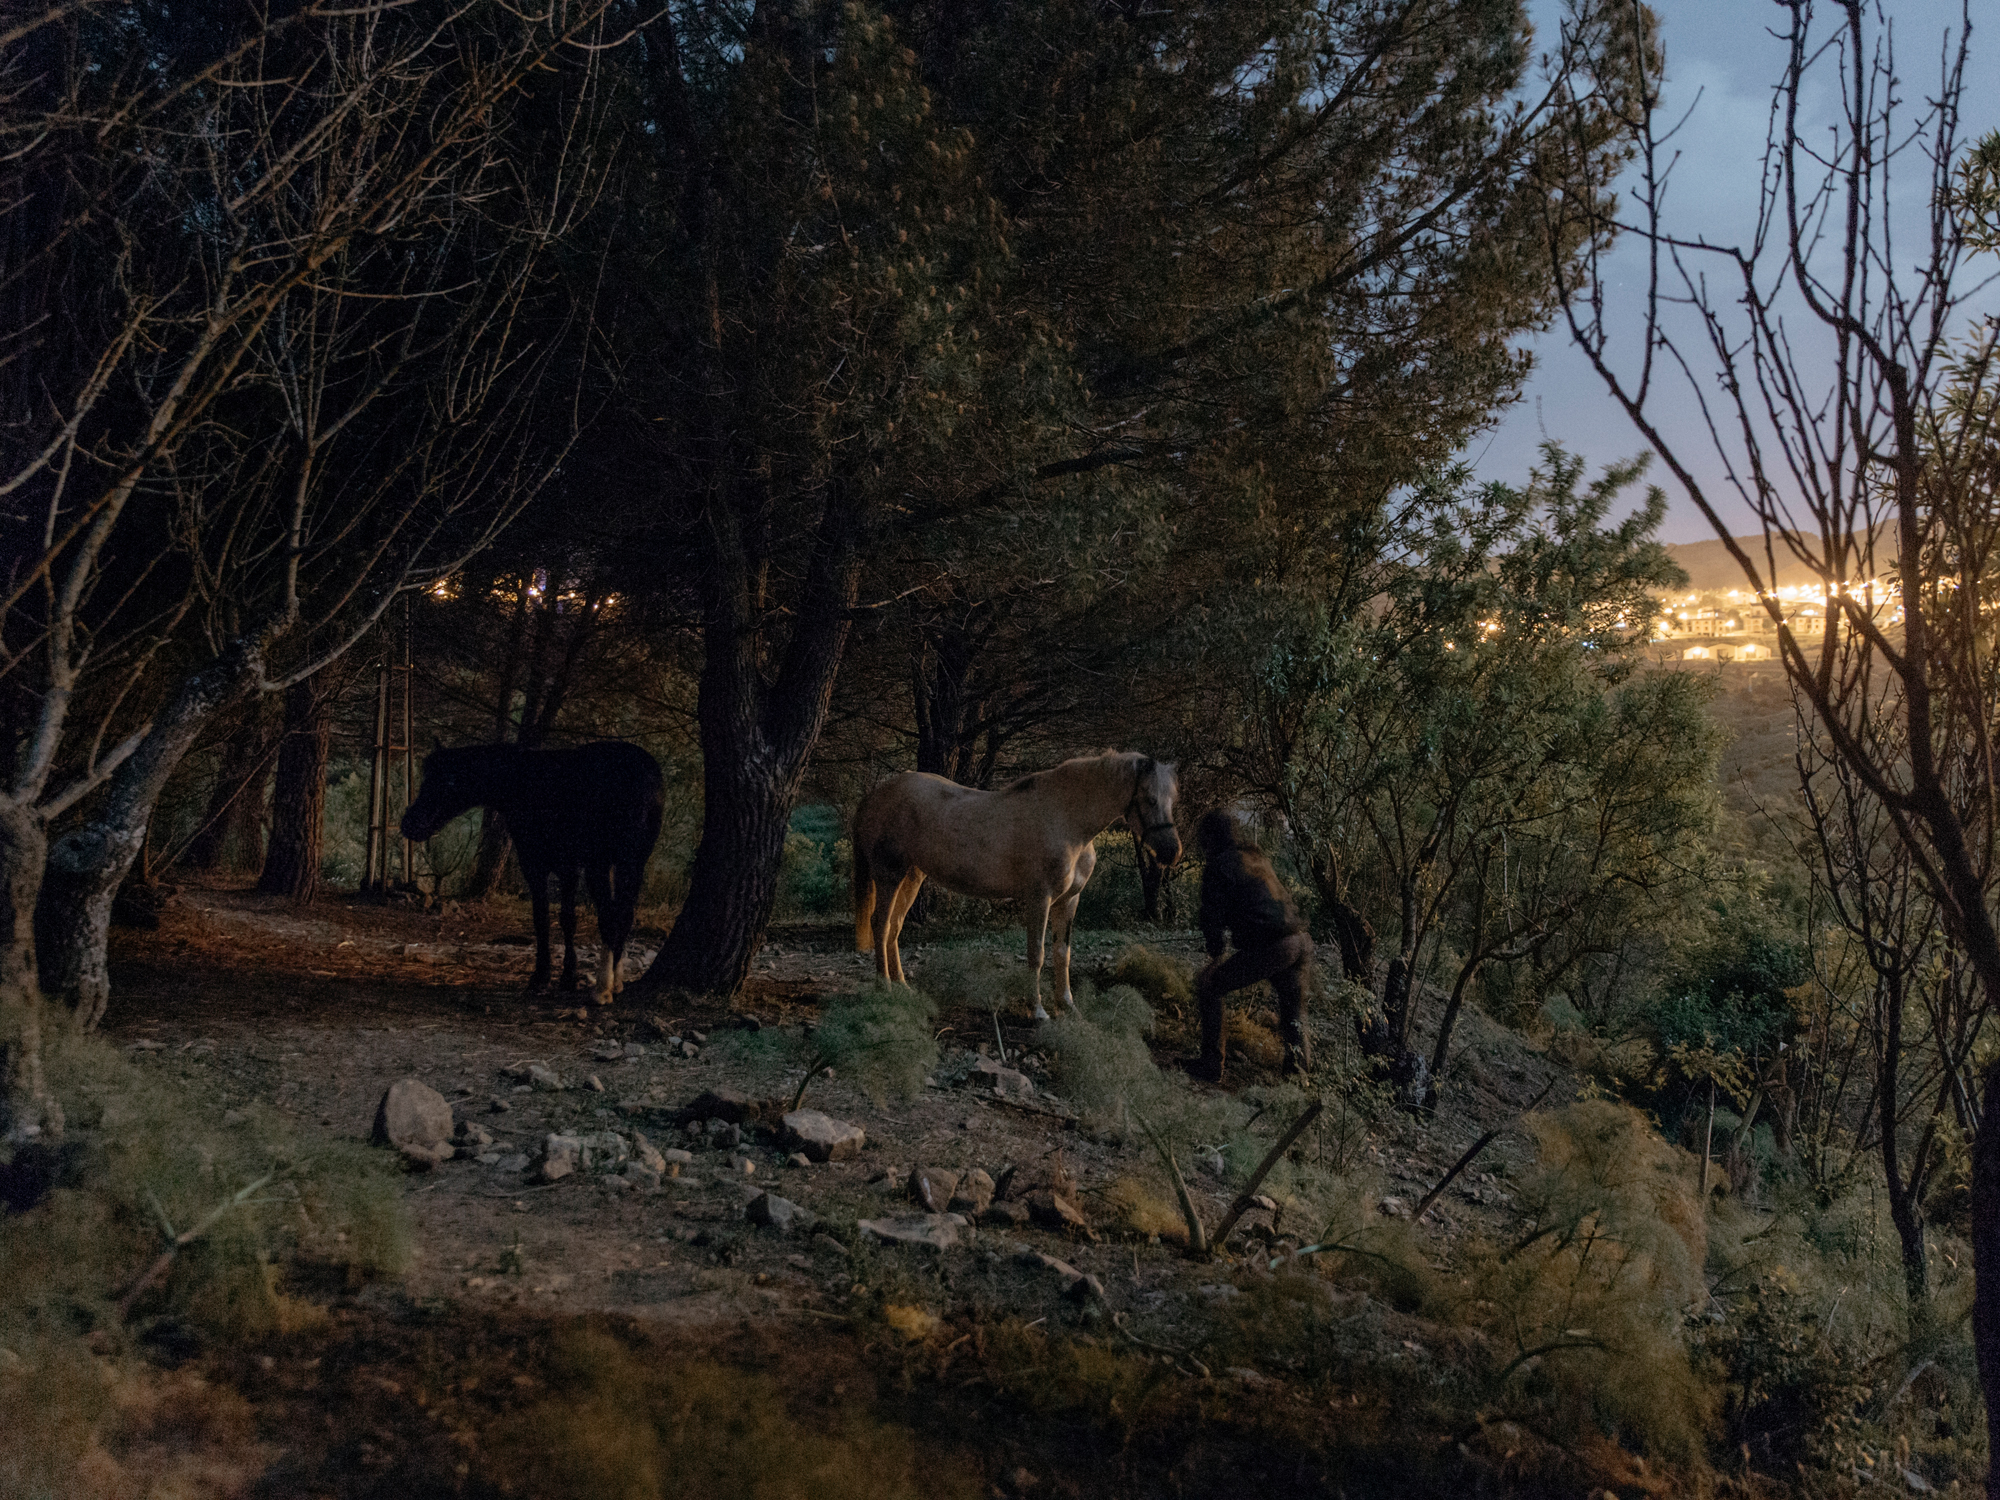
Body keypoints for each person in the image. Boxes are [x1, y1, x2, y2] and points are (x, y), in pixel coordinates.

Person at [1190, 809, 1314, 1082]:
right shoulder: (1253, 855)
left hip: (1273, 947)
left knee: (1210, 986)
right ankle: (1298, 1077)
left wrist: (1214, 959)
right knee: (1293, 1012)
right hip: (1300, 941)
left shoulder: (1218, 866)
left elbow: (1211, 919)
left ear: (1209, 838)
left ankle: (1211, 1064)